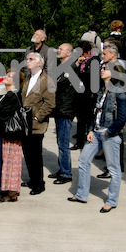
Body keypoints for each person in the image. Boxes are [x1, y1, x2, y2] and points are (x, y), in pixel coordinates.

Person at [68, 43, 126, 213]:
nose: (102, 70)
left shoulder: (119, 92)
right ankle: (81, 194)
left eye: (106, 69)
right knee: (83, 160)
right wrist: (90, 130)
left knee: (114, 168)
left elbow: (122, 118)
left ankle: (111, 200)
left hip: (109, 134)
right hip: (96, 131)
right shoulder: (102, 91)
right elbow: (96, 113)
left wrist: (109, 131)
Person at [20, 52, 56, 195]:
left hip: (36, 125)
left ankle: (39, 184)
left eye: (31, 59)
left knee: (35, 155)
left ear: (39, 63)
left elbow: (50, 103)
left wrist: (37, 118)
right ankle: (32, 179)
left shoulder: (47, 81)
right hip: (25, 123)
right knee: (28, 154)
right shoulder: (29, 78)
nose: (27, 61)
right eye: (27, 59)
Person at [0, 68, 25, 202]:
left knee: (10, 162)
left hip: (10, 135)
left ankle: (11, 193)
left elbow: (3, 115)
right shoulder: (9, 94)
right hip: (6, 134)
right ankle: (9, 190)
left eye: (9, 76)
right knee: (8, 162)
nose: (5, 77)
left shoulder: (12, 96)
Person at [48, 43, 76, 185]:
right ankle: (62, 169)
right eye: (58, 48)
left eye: (61, 49)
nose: (58, 50)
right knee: (60, 142)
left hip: (65, 110)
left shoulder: (71, 68)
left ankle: (66, 173)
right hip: (60, 109)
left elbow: (56, 87)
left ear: (69, 53)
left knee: (63, 143)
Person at [71, 40, 101, 150]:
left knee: (88, 118)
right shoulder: (80, 61)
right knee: (80, 118)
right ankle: (79, 141)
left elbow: (93, 78)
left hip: (89, 94)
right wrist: (78, 64)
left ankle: (88, 140)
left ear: (88, 51)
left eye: (83, 52)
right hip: (80, 93)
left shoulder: (94, 61)